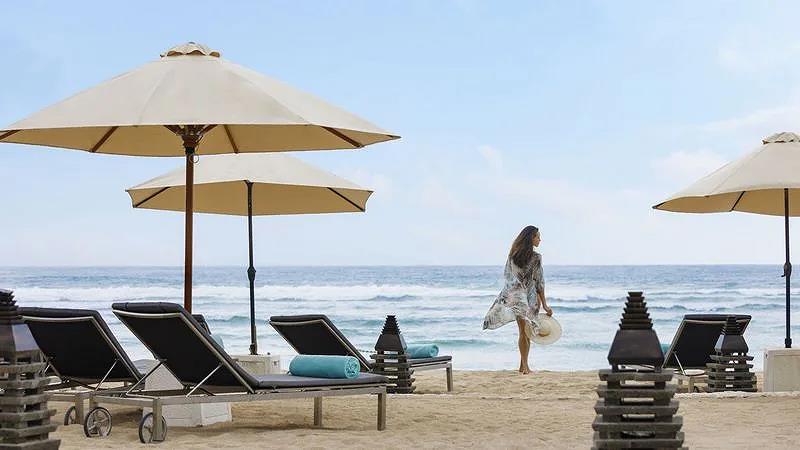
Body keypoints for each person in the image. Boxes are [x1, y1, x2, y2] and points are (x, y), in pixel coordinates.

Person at [482, 225, 552, 374]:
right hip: (522, 299)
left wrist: (543, 304)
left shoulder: (518, 256)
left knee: (526, 331)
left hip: (523, 298)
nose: (540, 240)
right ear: (531, 238)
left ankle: (523, 366)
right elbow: (538, 282)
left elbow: (512, 279)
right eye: (538, 237)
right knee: (524, 332)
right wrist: (544, 304)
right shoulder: (523, 257)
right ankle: (525, 367)